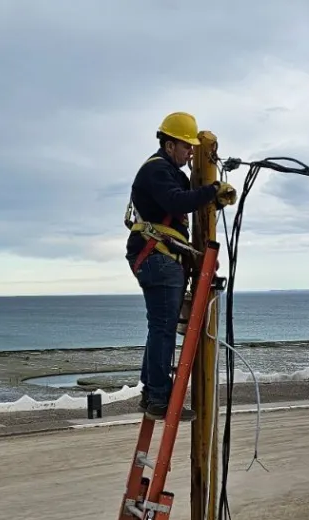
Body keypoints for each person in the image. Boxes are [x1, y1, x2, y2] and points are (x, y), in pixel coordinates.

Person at [124, 111, 237, 421]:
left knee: (159, 327)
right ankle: (160, 397)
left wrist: (208, 198)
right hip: (157, 256)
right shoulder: (157, 171)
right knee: (162, 328)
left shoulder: (168, 172)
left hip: (159, 257)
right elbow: (176, 202)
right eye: (186, 147)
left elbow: (181, 201)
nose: (190, 153)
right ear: (169, 144)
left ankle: (153, 394)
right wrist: (212, 191)